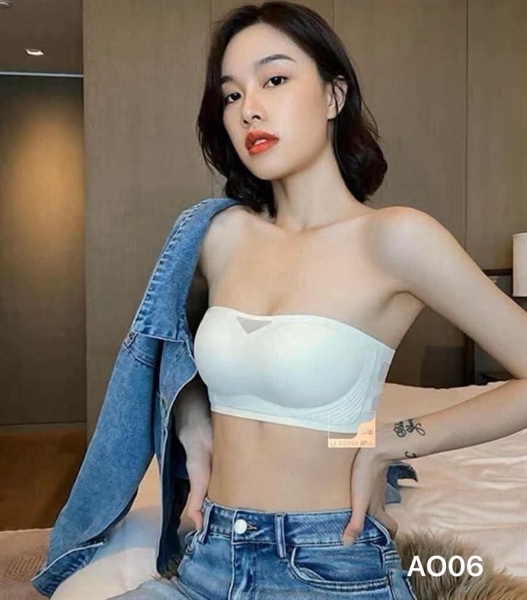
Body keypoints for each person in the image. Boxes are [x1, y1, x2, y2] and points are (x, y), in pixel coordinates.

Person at [108, 2, 527, 599]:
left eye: (275, 79)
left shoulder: (396, 238)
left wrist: (392, 440)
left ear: (334, 95)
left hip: (327, 564)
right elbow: (177, 355)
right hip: (209, 553)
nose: (249, 108)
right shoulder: (219, 236)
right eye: (232, 95)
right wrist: (194, 426)